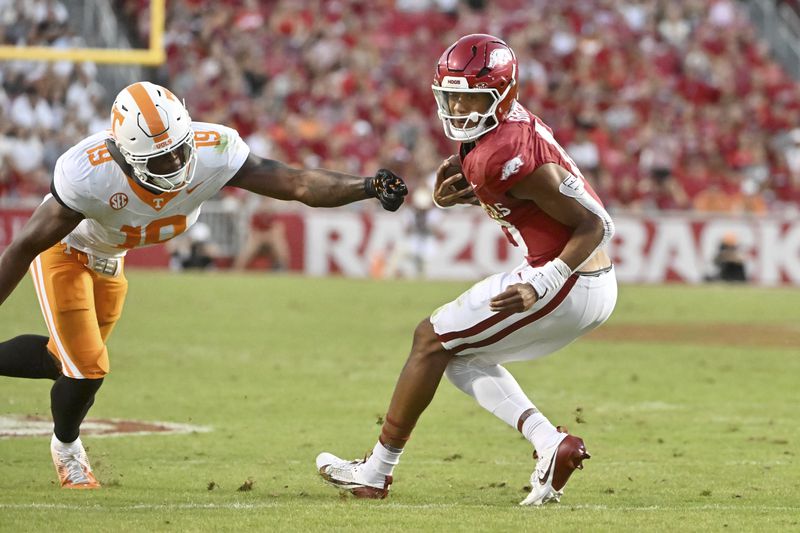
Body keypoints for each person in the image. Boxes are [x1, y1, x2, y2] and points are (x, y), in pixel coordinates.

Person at [0, 81, 407, 489]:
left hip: (112, 260)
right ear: (123, 156)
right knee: (88, 368)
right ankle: (67, 449)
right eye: (160, 160)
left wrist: (366, 186)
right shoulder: (89, 173)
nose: (177, 164)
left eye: (180, 149)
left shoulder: (214, 149)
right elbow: (23, 248)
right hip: (66, 254)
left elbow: (298, 183)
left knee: (63, 362)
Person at [316, 34, 616, 506]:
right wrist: (456, 190)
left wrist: (543, 281)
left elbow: (597, 224)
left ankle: (375, 473)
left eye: (471, 97)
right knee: (457, 355)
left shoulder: (506, 154)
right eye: (451, 95)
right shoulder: (493, 136)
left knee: (429, 340)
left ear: (504, 95)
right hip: (571, 277)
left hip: (570, 277)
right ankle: (549, 442)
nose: (458, 106)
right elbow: (509, 190)